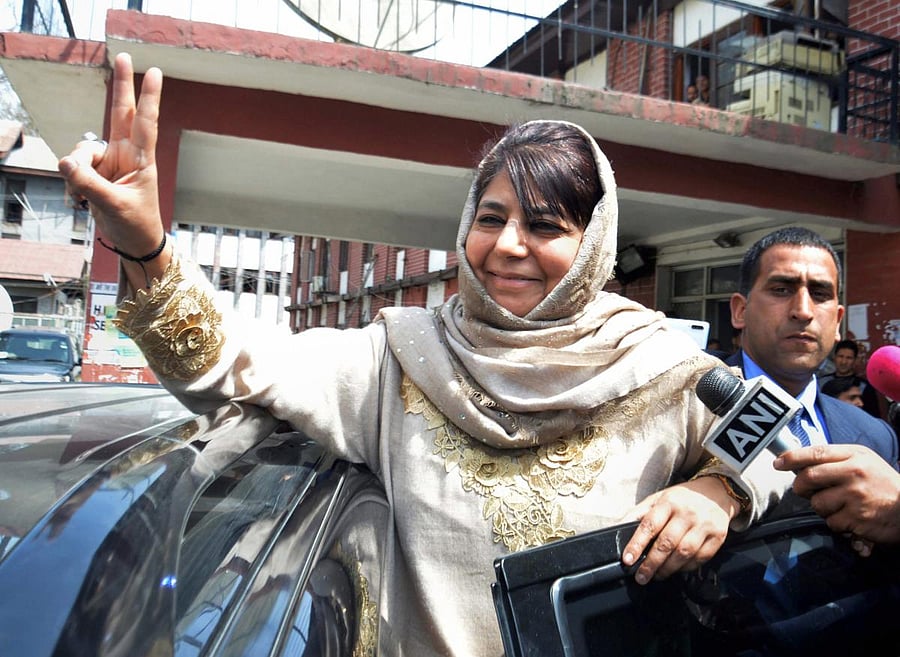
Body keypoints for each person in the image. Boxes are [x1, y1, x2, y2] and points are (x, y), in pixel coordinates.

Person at [59, 53, 790, 656]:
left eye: (544, 225)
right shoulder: (401, 359)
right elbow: (234, 367)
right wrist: (146, 246)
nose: (507, 245)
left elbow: (782, 451)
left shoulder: (656, 363)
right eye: (491, 217)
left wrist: (717, 493)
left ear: (593, 245)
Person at [726, 226, 899, 553]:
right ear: (740, 310)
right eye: (781, 289)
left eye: (819, 293)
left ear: (837, 322)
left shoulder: (877, 438)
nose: (803, 310)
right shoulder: (681, 408)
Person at [818, 338, 882, 418]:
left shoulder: (864, 386)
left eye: (849, 358)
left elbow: (873, 417)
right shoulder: (821, 383)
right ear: (834, 357)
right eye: (840, 356)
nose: (843, 362)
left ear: (855, 360)